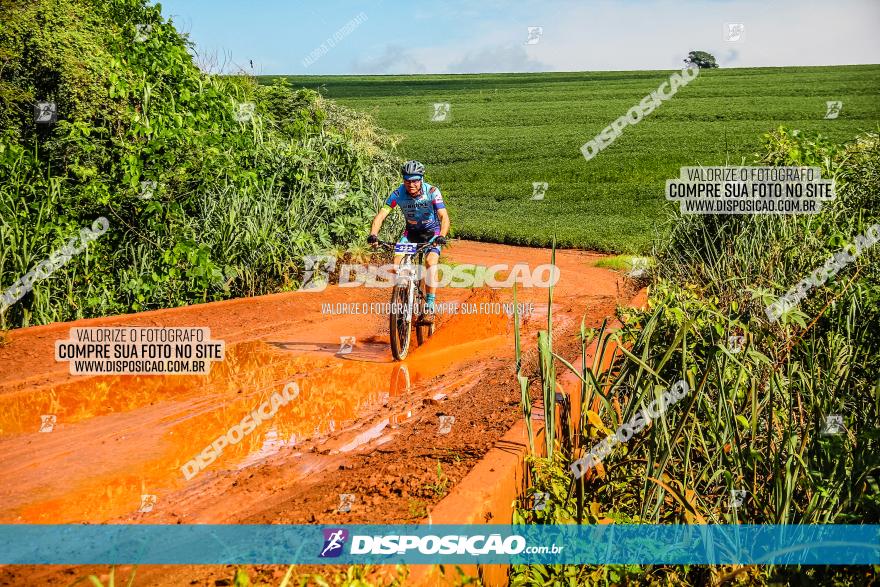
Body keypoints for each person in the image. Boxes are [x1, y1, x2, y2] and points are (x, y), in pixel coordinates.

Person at [368, 160, 450, 320]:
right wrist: (373, 234)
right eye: (407, 180)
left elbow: (444, 216)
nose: (411, 184)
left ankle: (429, 306)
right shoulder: (398, 194)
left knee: (430, 262)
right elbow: (381, 215)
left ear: (421, 179)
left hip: (432, 234)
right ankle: (403, 298)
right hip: (410, 235)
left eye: (414, 180)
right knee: (395, 266)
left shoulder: (432, 191)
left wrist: (442, 236)